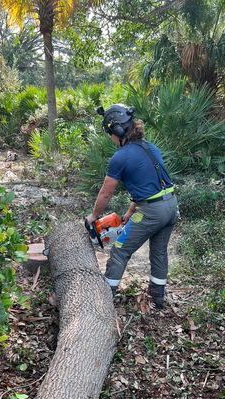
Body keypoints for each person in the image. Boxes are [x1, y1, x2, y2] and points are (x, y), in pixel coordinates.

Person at [86, 104, 178, 308]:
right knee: (159, 252)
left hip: (151, 212)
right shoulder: (149, 147)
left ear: (117, 130)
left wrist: (93, 217)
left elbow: (106, 192)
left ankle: (104, 300)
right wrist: (130, 210)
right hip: (171, 206)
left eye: (111, 133)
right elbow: (150, 183)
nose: (111, 138)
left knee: (120, 249)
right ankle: (158, 299)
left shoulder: (120, 157)